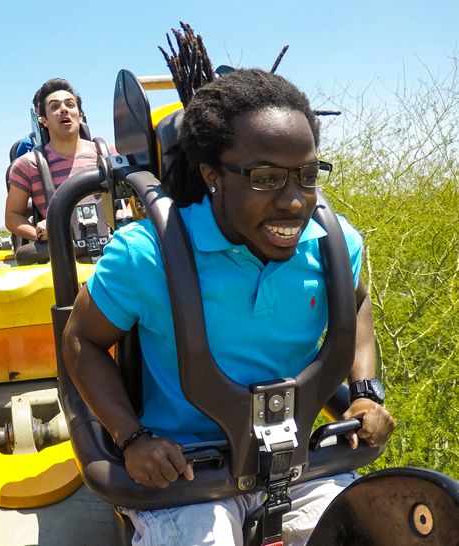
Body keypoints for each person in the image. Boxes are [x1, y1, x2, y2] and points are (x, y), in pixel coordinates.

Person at [62, 61, 396, 545]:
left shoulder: (334, 244)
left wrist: (365, 389)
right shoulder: (147, 254)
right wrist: (130, 437)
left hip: (301, 464)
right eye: (264, 178)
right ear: (212, 174)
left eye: (305, 174)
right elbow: (81, 340)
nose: (293, 201)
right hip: (189, 473)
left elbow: (356, 304)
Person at [4, 78, 100, 243]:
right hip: (64, 253)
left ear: (81, 115)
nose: (63, 110)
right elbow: (12, 216)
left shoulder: (106, 153)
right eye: (55, 107)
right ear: (44, 121)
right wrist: (41, 233)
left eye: (70, 105)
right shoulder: (27, 164)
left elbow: (131, 199)